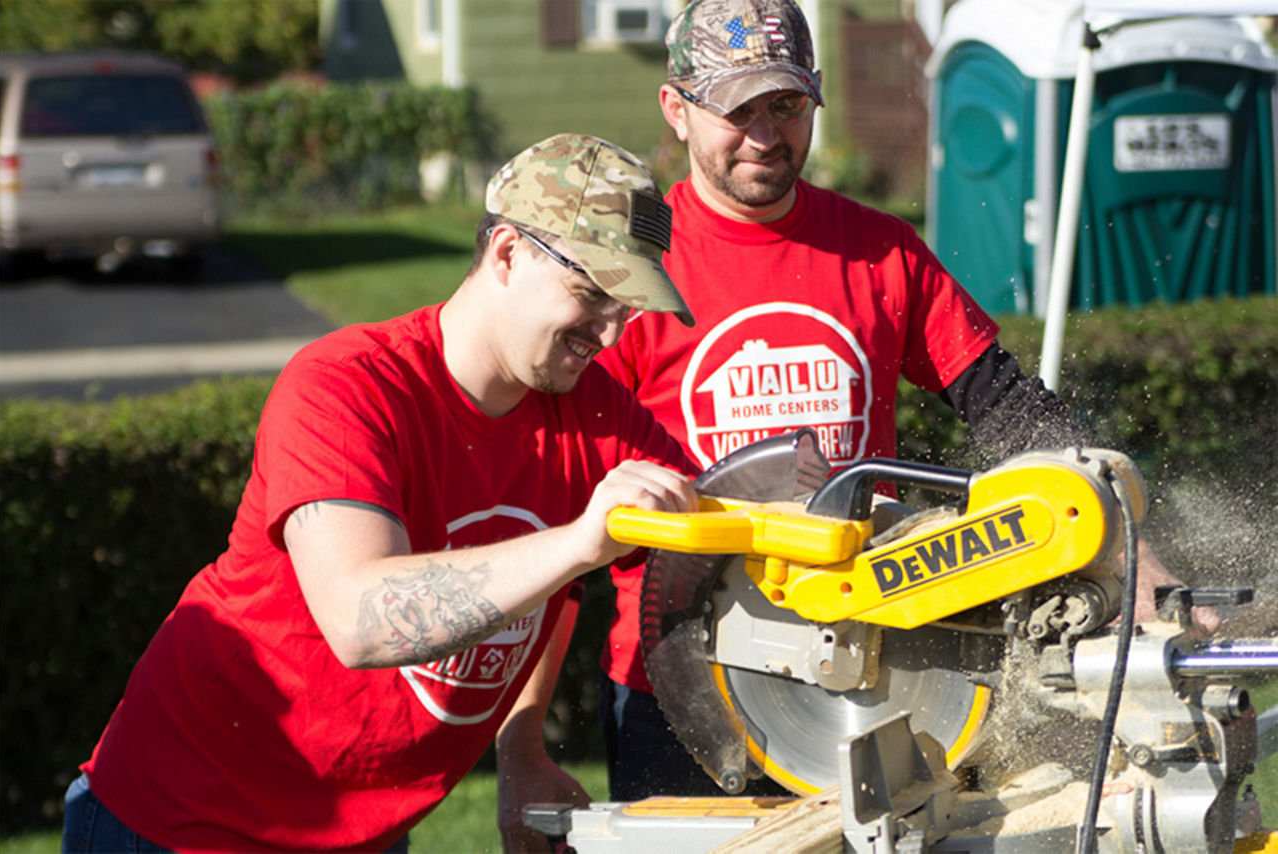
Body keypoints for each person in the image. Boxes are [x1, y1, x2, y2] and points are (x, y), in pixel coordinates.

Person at [590, 0, 1212, 803]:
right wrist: (525, 737)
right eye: (736, 111)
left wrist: (1137, 571)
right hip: (675, 681)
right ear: (676, 110)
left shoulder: (882, 252)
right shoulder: (633, 273)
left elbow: (1009, 410)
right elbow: (553, 499)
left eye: (785, 106)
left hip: (868, 668)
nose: (766, 136)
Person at [60, 132, 701, 853]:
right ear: (508, 254)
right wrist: (581, 540)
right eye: (592, 294)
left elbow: (650, 550)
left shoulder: (591, 408)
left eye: (628, 306)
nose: (611, 334)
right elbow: (362, 619)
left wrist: (520, 748)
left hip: (362, 832)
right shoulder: (344, 386)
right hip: (182, 820)